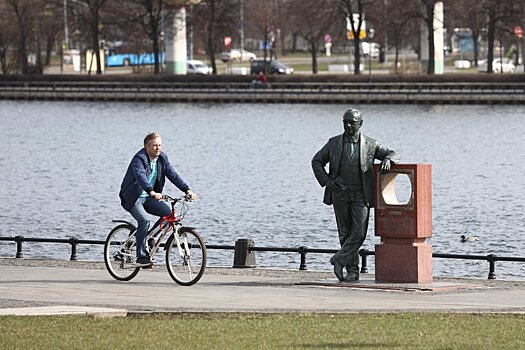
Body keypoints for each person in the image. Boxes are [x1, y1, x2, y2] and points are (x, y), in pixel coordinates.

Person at [311, 108, 400, 282]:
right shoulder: (334, 143)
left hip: (361, 195)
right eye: (345, 122)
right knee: (344, 234)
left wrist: (388, 160)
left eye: (352, 122)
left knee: (359, 233)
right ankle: (352, 271)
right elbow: (316, 161)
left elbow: (392, 153)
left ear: (360, 123)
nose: (348, 125)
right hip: (339, 194)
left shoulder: (371, 144)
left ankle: (339, 259)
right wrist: (327, 181)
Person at [119, 132, 197, 267]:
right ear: (146, 146)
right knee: (144, 220)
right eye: (154, 145)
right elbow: (140, 176)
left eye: (160, 145)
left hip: (149, 197)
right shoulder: (139, 159)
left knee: (169, 215)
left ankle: (150, 238)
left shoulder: (162, 158)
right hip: (133, 197)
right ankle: (141, 256)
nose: (158, 148)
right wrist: (151, 191)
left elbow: (173, 175)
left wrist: (187, 190)